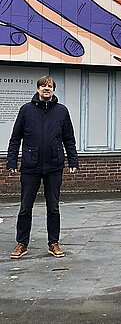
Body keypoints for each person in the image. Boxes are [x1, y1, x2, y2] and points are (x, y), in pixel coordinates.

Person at [7, 75, 78, 259]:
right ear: (38, 89)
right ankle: (22, 243)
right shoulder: (26, 110)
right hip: (30, 166)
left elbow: (69, 139)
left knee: (53, 207)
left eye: (50, 86)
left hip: (54, 166)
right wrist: (11, 161)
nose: (46, 88)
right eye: (43, 86)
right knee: (25, 207)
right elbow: (15, 138)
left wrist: (73, 161)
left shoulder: (62, 111)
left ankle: (53, 242)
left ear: (54, 89)